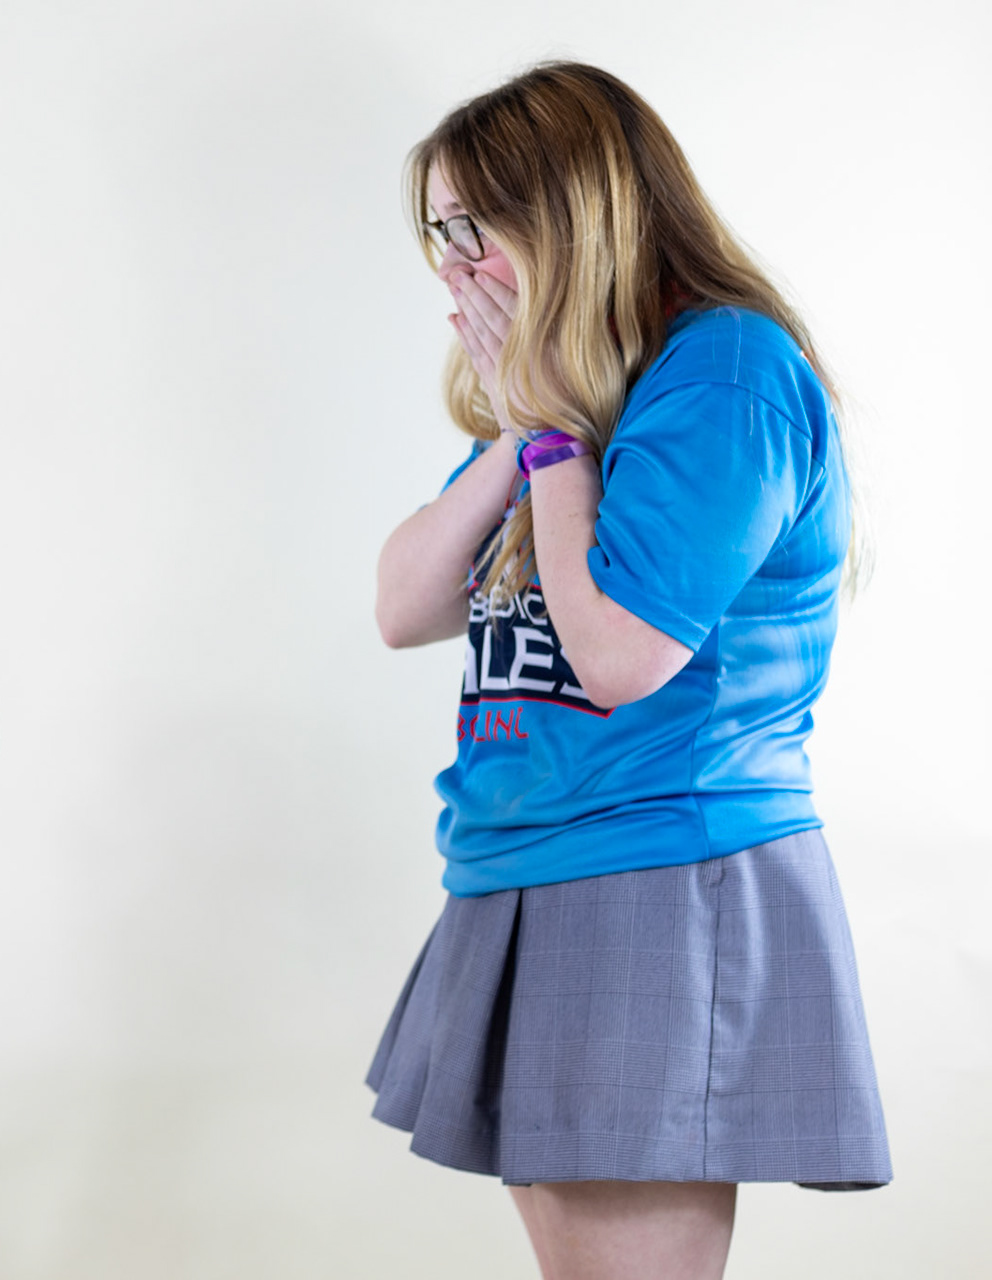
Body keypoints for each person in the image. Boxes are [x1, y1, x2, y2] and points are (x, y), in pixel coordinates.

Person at [365, 63, 889, 1280]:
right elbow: (403, 606)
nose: (453, 270)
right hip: (529, 864)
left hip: (659, 872)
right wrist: (523, 425)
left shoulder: (724, 374)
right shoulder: (580, 388)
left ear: (571, 210)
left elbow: (617, 656)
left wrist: (551, 434)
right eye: (439, 236)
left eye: (474, 230)